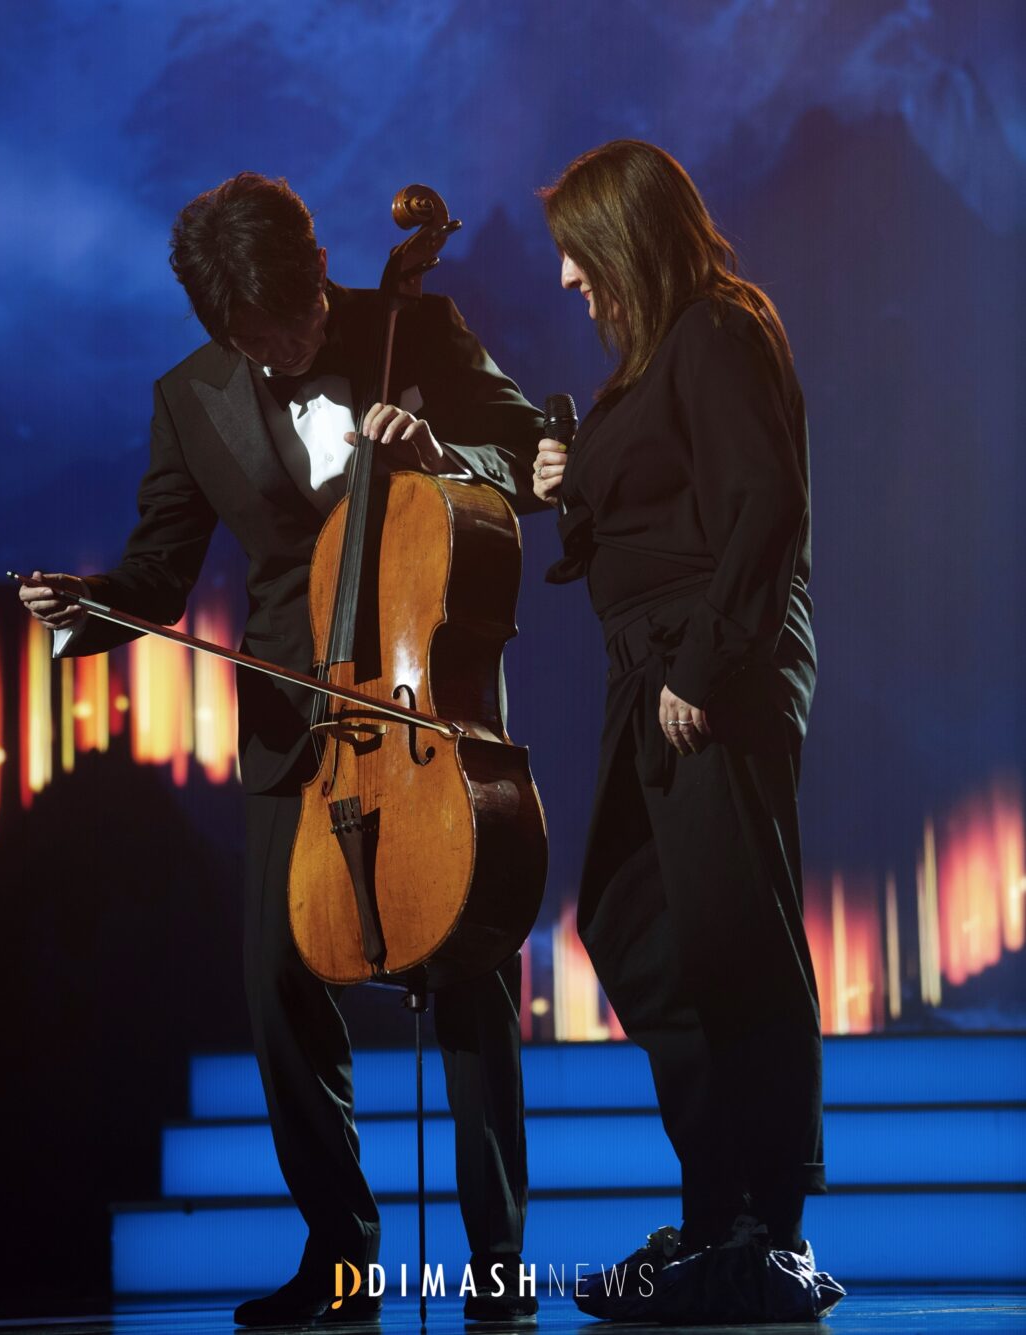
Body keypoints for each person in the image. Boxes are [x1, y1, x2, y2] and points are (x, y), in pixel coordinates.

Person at [19, 172, 547, 1326]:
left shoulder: (417, 324)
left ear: (319, 273)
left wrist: (446, 452)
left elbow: (530, 456)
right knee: (277, 986)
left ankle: (500, 1260)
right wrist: (90, 607)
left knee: (467, 972)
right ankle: (344, 1255)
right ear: (222, 331)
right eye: (269, 336)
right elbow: (157, 573)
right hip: (294, 719)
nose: (301, 341)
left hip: (422, 701)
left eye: (307, 313)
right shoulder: (189, 398)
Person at [533, 140, 843, 1322]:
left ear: (623, 235)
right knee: (627, 913)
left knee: (733, 938)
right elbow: (654, 510)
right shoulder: (657, 358)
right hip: (652, 672)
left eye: (576, 251)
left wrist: (707, 667)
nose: (566, 279)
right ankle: (723, 1200)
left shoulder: (718, 331)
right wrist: (575, 480)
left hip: (706, 671)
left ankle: (767, 1227)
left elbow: (765, 507)